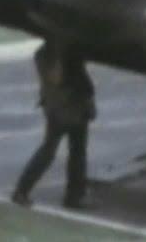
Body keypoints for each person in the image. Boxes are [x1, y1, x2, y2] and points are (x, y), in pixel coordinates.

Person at [11, 41, 97, 210]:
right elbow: (56, 78)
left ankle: (74, 195)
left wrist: (89, 102)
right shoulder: (50, 54)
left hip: (74, 105)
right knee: (50, 151)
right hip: (62, 108)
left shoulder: (63, 51)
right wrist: (62, 52)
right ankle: (22, 191)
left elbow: (81, 78)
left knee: (77, 153)